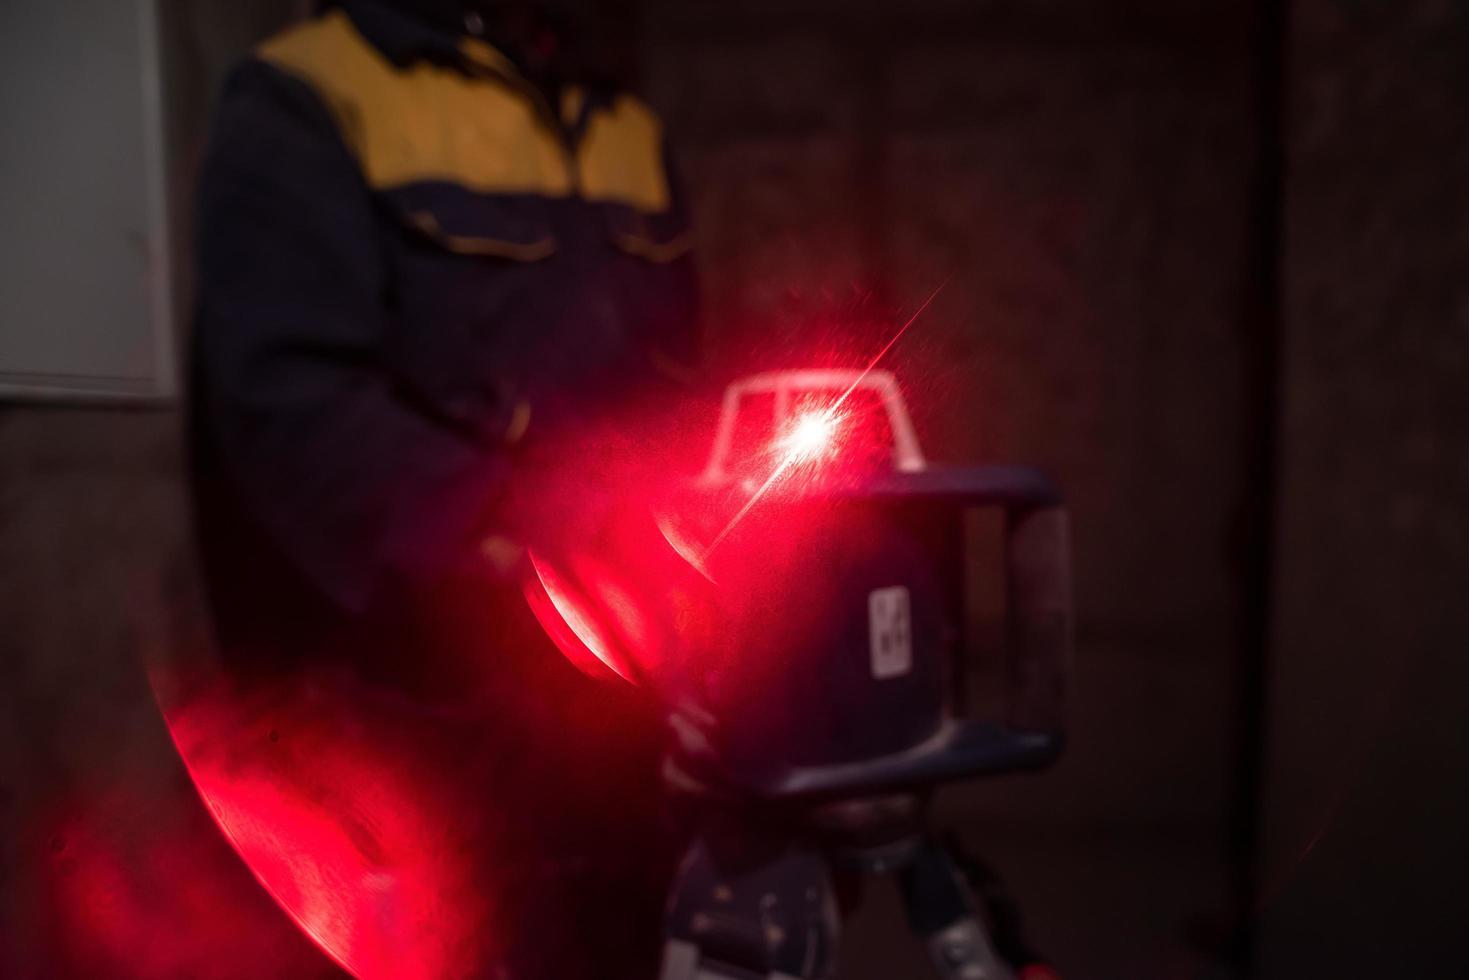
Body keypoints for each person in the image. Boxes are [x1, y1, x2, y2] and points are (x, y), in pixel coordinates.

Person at [187, 0, 700, 975]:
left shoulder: (621, 121)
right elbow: (287, 406)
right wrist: (507, 524)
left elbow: (672, 379)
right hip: (416, 720)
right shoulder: (315, 95)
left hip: (621, 726)